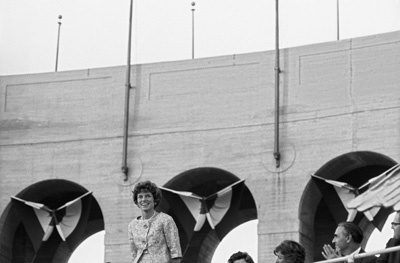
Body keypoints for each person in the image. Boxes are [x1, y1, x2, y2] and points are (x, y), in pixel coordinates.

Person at [128, 180, 182, 263]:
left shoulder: (166, 220)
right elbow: (133, 255)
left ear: (155, 200)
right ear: (137, 201)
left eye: (147, 196)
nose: (144, 199)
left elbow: (176, 253)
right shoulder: (132, 225)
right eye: (140, 197)